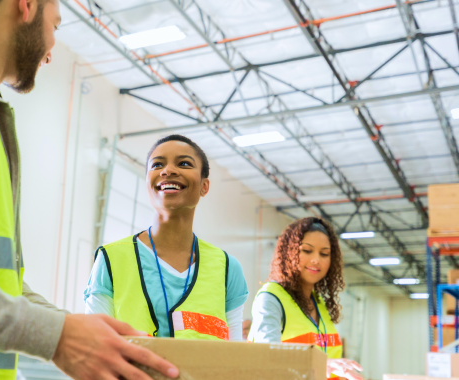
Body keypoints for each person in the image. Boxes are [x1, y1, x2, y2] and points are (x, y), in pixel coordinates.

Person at [0, 1, 179, 379]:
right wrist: (56, 336)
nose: (52, 48)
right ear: (25, 6)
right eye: (55, 26)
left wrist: (76, 330)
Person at [84, 134, 249, 341]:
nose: (168, 170)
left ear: (204, 186)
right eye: (157, 164)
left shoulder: (227, 268)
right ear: (148, 183)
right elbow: (96, 344)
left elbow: (233, 352)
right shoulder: (111, 258)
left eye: (184, 163)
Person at [248, 217, 365, 380]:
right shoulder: (271, 297)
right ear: (290, 252)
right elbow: (267, 354)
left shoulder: (319, 304)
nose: (316, 259)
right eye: (307, 250)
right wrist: (319, 363)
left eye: (324, 254)